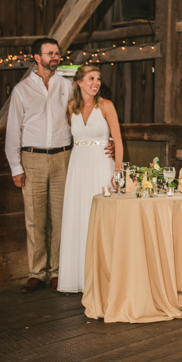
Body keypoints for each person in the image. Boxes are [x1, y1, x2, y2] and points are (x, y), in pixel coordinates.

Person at [5, 37, 112, 293]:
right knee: (35, 218)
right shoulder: (21, 90)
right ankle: (36, 272)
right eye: (50, 53)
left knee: (61, 216)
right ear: (36, 57)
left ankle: (58, 272)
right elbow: (12, 130)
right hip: (32, 158)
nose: (55, 57)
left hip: (65, 156)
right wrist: (16, 167)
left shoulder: (67, 87)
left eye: (57, 53)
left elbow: (88, 112)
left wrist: (107, 141)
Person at [57, 65, 122, 293]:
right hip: (78, 165)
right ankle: (78, 277)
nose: (96, 83)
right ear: (79, 82)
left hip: (100, 163)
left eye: (98, 79)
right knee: (78, 215)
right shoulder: (71, 107)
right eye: (91, 78)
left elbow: (118, 140)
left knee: (100, 216)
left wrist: (117, 171)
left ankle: (103, 278)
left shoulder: (106, 106)